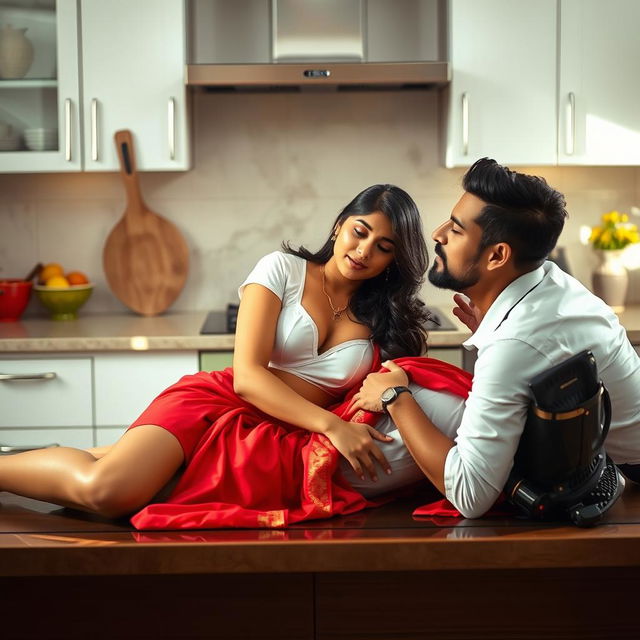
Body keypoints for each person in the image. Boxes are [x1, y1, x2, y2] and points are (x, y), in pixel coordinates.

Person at [0, 183, 472, 529]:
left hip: (275, 443)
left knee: (114, 471)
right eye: (359, 231)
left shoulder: (383, 320)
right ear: (339, 225)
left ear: (394, 259)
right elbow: (247, 376)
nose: (363, 250)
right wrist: (333, 426)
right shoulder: (282, 269)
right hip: (218, 407)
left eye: (383, 246)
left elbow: (398, 384)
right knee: (105, 492)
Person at [350, 158, 640, 519]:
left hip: (627, 476)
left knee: (415, 399)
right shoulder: (550, 279)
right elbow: (539, 347)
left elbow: (471, 496)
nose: (438, 234)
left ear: (498, 256)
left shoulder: (516, 344)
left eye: (456, 230)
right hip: (606, 458)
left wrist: (394, 397)